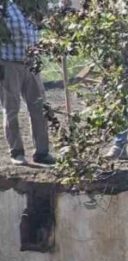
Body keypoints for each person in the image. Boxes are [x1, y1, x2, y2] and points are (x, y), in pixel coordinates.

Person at [0, 1, 54, 165]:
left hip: (32, 64)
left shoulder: (32, 6)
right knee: (11, 108)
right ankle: (17, 152)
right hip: (9, 64)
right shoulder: (4, 6)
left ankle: (42, 152)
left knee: (40, 107)